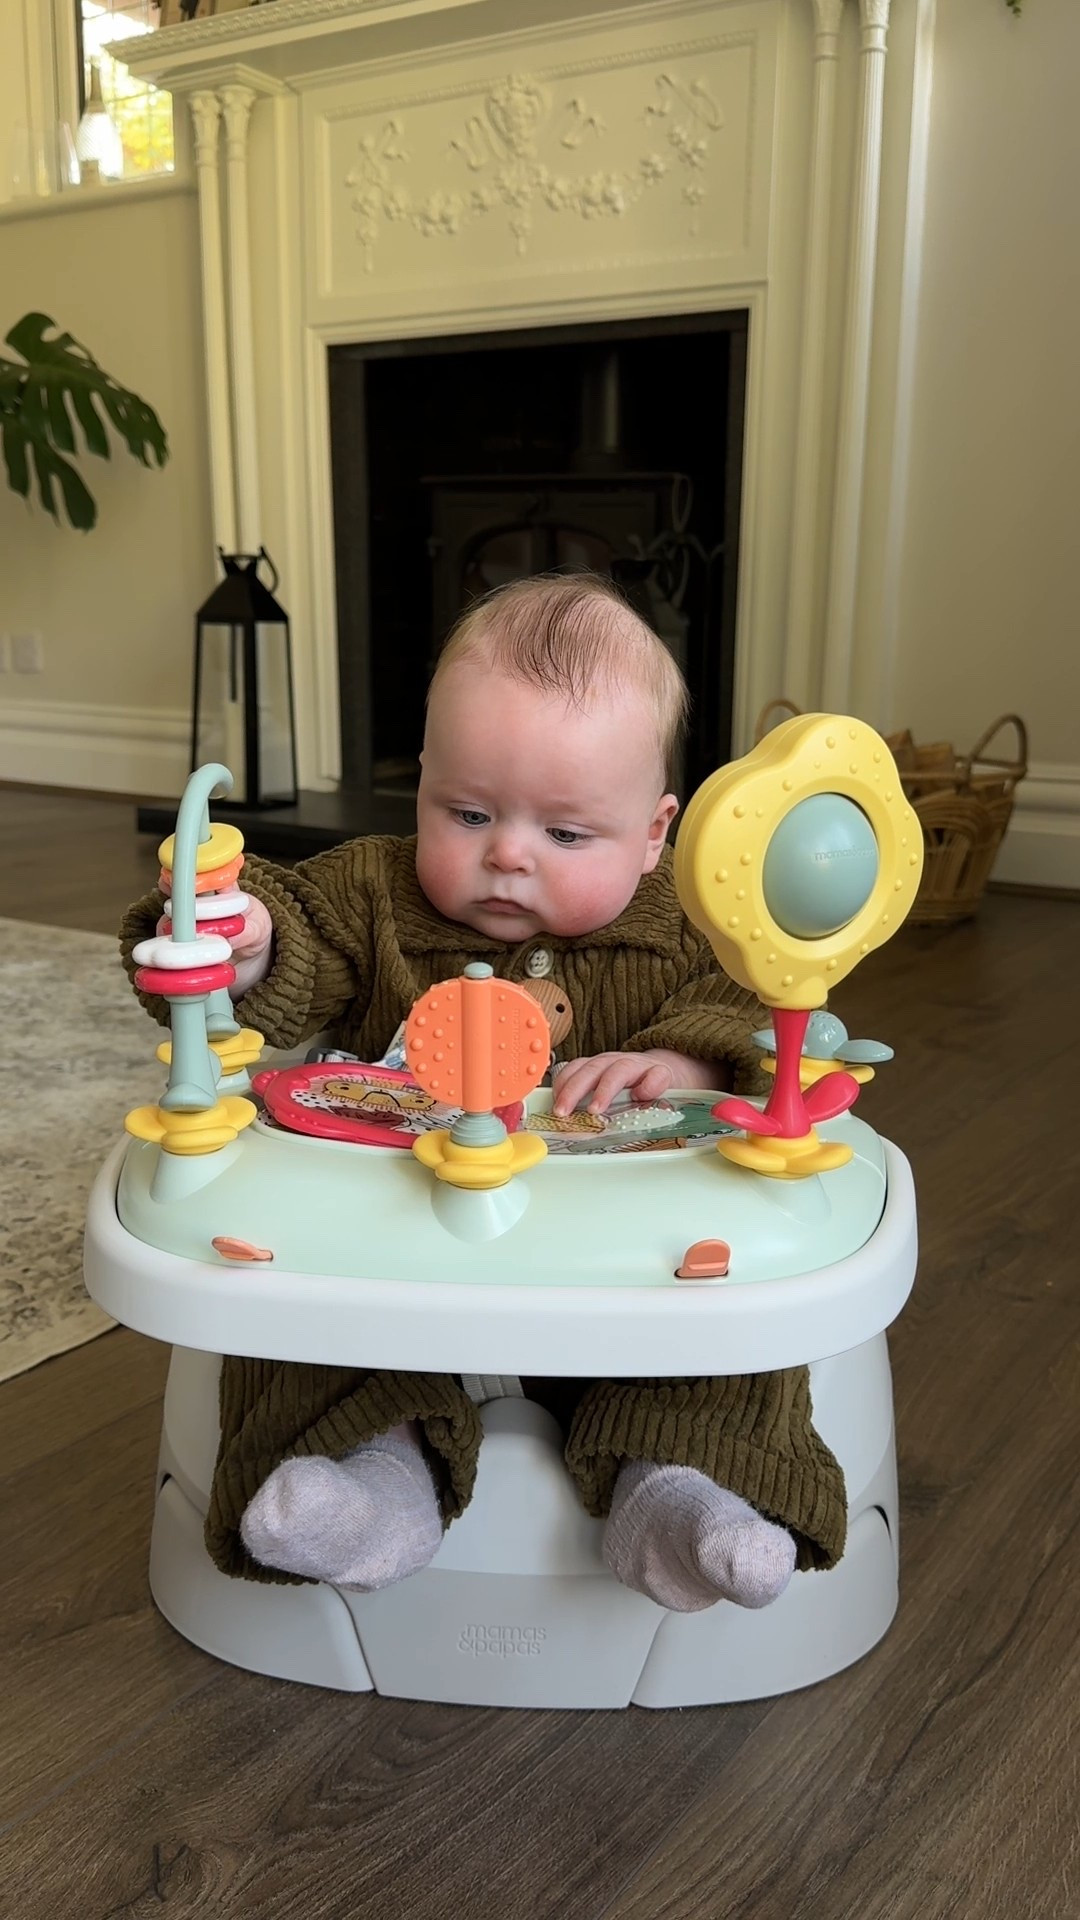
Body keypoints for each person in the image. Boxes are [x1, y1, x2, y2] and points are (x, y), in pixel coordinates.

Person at [121, 573, 846, 1614]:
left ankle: (686, 1486)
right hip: (404, 1259)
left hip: (630, 1271)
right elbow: (303, 927)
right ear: (420, 783)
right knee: (288, 1304)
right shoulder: (376, 893)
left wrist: (690, 1064)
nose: (506, 854)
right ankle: (369, 1476)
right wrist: (245, 938)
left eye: (566, 834)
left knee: (732, 1316)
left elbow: (769, 999)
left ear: (654, 834)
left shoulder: (692, 920)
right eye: (466, 812)